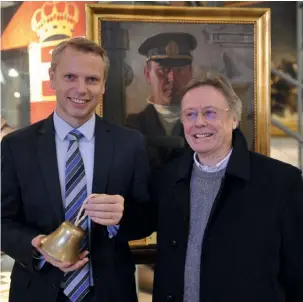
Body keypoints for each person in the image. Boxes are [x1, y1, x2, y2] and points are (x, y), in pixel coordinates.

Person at [1, 37, 150, 302]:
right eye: (70, 76)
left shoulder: (130, 143)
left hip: (110, 293)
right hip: (37, 291)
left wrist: (121, 218)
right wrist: (35, 247)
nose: (81, 89)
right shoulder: (16, 145)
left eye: (92, 79)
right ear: (52, 78)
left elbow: (147, 218)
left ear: (103, 84)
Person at [143, 71, 303, 302]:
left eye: (210, 113)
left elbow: (297, 272)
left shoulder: (282, 182)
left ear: (234, 119)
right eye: (190, 114)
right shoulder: (166, 179)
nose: (199, 122)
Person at [126, 32, 196, 170]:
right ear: (147, 74)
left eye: (180, 71)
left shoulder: (203, 123)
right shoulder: (132, 126)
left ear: (190, 73)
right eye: (163, 70)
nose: (171, 79)